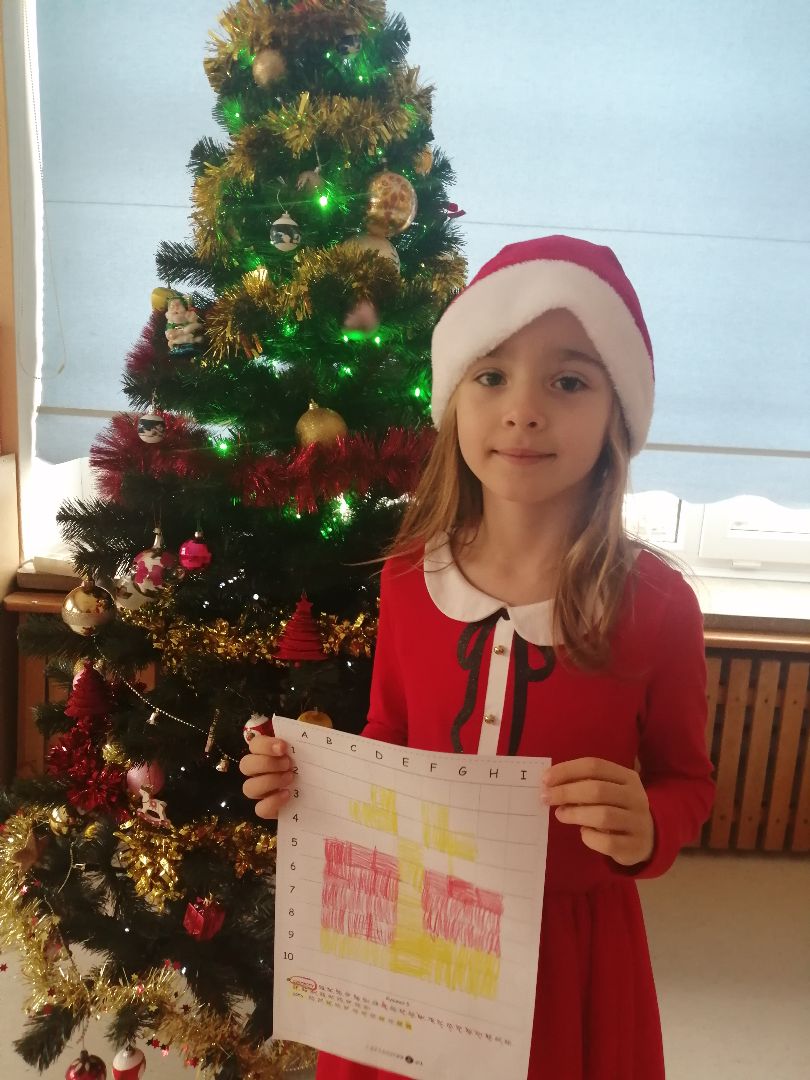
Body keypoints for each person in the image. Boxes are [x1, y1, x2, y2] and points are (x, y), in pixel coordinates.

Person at [241, 235, 716, 1079]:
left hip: (565, 959)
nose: (523, 410)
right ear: (454, 399)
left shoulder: (659, 606)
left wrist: (650, 824)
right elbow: (389, 734)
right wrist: (311, 782)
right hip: (409, 943)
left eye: (569, 381)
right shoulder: (408, 578)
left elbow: (689, 781)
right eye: (491, 375)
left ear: (617, 413)